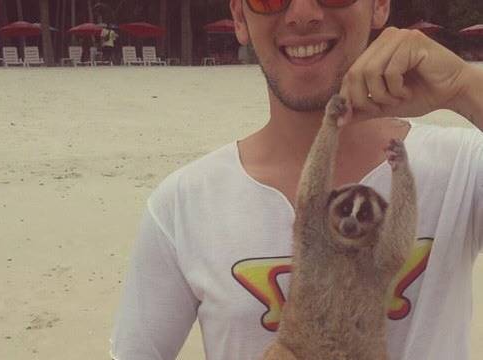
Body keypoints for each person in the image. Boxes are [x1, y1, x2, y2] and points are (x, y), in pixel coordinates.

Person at [110, 0, 483, 359]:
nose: (302, 13)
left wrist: (465, 88)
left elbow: (393, 243)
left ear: (380, 4)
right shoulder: (181, 206)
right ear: (240, 16)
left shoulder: (464, 166)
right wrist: (331, 130)